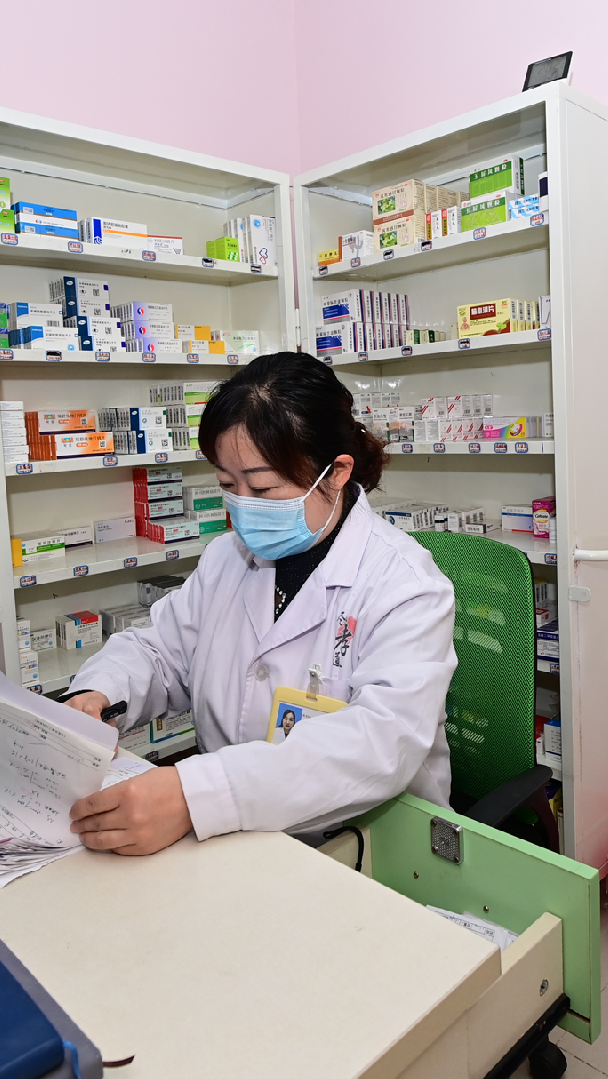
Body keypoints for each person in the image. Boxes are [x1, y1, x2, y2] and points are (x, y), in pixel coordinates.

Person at [65, 351, 458, 855]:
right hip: (229, 840)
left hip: (363, 847)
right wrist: (99, 692)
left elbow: (380, 744)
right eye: (228, 485)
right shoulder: (226, 559)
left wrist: (199, 794)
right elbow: (161, 652)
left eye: (264, 486)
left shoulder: (406, 586)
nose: (243, 506)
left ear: (337, 473)